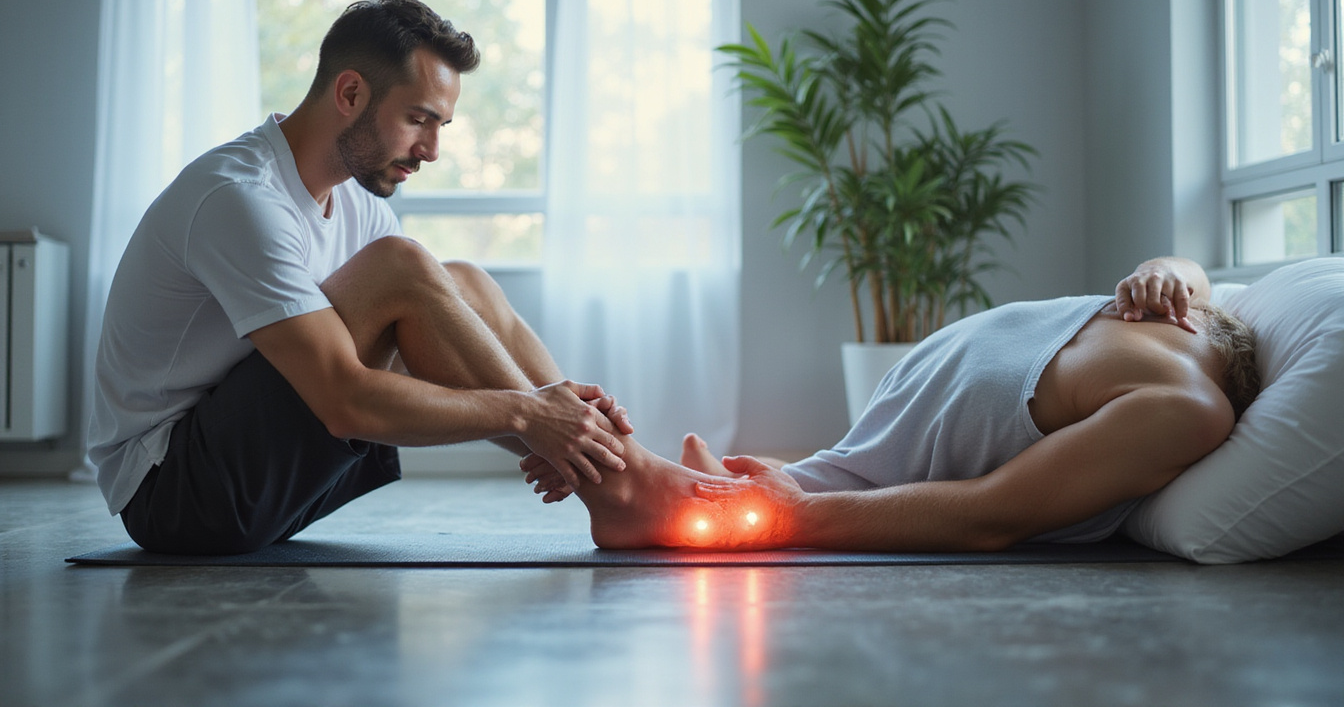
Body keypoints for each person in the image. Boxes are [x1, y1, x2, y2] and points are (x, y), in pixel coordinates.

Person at [89, 0, 634, 555]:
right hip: (174, 495)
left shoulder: (361, 206)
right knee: (404, 265)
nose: (432, 150)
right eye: (418, 119)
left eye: (441, 125)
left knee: (463, 280)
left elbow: (435, 332)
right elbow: (343, 401)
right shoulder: (239, 197)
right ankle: (621, 486)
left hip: (264, 479)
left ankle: (611, 467)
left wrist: (552, 428)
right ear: (350, 93)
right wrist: (529, 416)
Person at [521, 256, 1261, 552]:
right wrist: (1170, 270)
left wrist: (791, 517)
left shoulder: (1189, 405)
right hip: (903, 418)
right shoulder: (1176, 308)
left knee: (801, 489)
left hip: (934, 446)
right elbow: (1197, 273)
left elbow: (993, 513)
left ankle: (651, 491)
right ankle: (645, 476)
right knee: (830, 470)